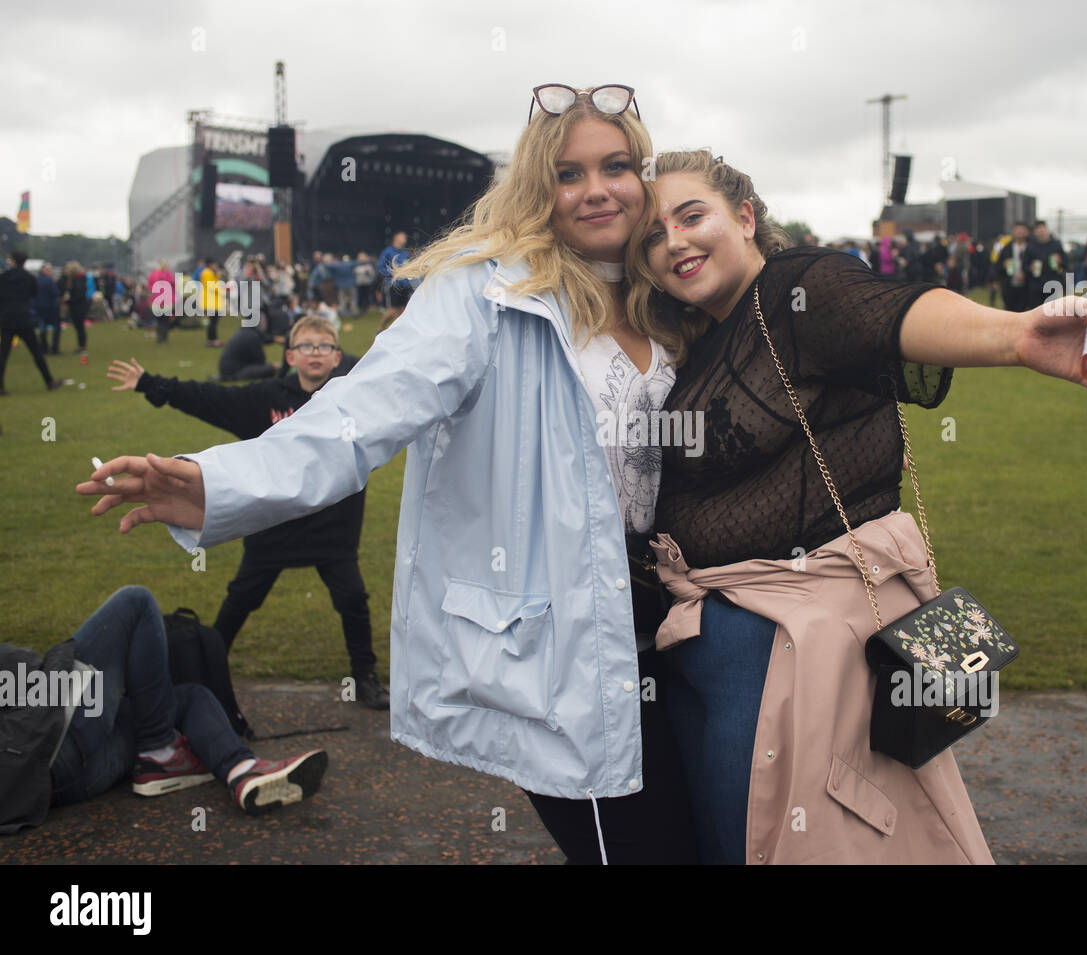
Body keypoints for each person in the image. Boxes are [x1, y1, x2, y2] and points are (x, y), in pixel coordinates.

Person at [79, 84, 697, 865]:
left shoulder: (673, 294)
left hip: (691, 636)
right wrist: (214, 484)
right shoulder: (482, 295)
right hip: (575, 648)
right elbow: (359, 413)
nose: (597, 188)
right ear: (537, 187)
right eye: (569, 173)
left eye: (616, 165)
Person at [626, 150, 1087, 865]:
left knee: (781, 845)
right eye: (652, 235)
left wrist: (1015, 337)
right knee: (723, 843)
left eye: (691, 215)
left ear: (744, 218)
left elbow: (893, 312)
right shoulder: (699, 334)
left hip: (786, 648)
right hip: (704, 640)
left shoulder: (798, 289)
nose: (674, 241)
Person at [104, 316, 389, 710]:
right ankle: (205, 670)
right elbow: (209, 398)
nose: (315, 354)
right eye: (306, 346)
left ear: (338, 356)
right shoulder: (266, 398)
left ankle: (365, 678)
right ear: (290, 355)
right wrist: (152, 384)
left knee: (353, 599)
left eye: (325, 347)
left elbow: (398, 390)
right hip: (272, 526)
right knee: (240, 600)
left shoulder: (351, 400)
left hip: (333, 530)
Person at [0, 586, 328, 833]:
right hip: (42, 744)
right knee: (135, 602)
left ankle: (242, 771)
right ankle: (159, 748)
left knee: (188, 698)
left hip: (55, 788)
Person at [0, 251, 62, 395]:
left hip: (7, 317)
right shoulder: (29, 278)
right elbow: (33, 294)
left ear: (12, 261)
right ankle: (49, 381)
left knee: (3, 354)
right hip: (23, 317)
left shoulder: (3, 277)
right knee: (36, 352)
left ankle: (1, 386)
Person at [377, 232, 411, 329]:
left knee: (403, 309)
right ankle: (381, 328)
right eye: (402, 237)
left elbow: (407, 266)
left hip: (405, 284)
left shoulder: (405, 253)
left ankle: (397, 330)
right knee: (392, 310)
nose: (405, 239)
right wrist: (392, 273)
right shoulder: (388, 252)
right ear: (396, 238)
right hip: (393, 284)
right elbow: (380, 267)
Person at [57, 260, 90, 355]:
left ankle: (82, 347)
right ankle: (81, 346)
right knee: (78, 327)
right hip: (76, 306)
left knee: (80, 328)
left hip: (78, 307)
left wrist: (68, 300)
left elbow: (79, 295)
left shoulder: (78, 280)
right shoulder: (73, 279)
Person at [998, 221, 1032, 311]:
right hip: (1010, 286)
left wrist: (1027, 273)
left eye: (1022, 230)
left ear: (1027, 232)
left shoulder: (1032, 247)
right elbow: (997, 265)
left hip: (1028, 286)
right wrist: (1003, 266)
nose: (1020, 232)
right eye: (1017, 230)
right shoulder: (1006, 248)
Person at [198, 259, 224, 347]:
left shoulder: (211, 272)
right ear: (210, 264)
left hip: (213, 301)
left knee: (213, 322)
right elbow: (211, 286)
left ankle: (211, 340)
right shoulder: (207, 273)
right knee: (213, 322)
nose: (216, 266)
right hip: (210, 302)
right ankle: (212, 340)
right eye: (214, 264)